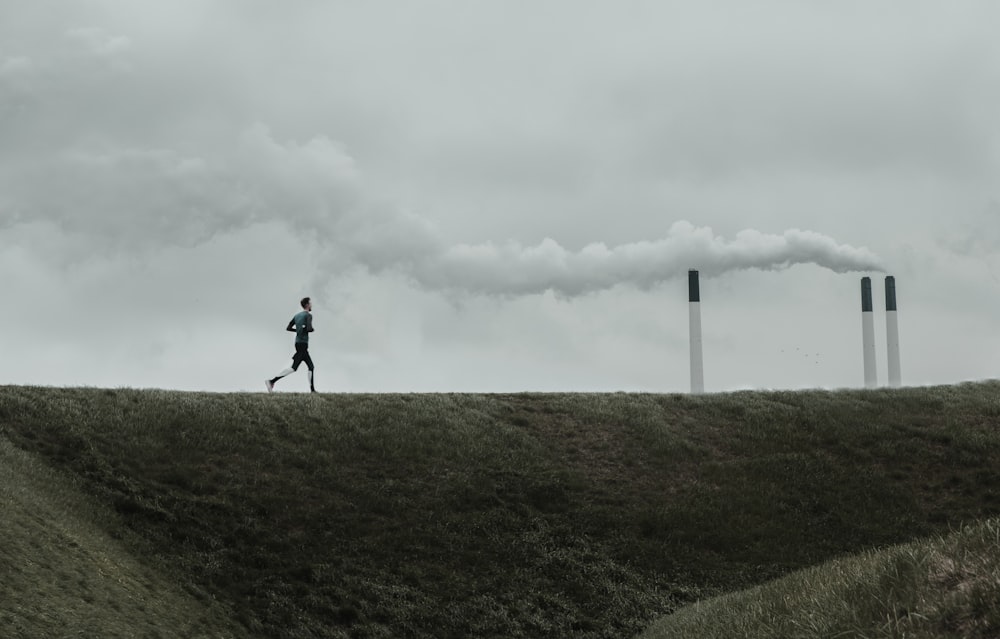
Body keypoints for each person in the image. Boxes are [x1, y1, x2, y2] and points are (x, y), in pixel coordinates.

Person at [266, 297, 316, 393]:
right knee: (294, 368)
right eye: (310, 303)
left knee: (311, 366)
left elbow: (288, 328)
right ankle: (271, 381)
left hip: (298, 343)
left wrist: (298, 330)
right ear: (307, 305)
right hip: (303, 344)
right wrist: (310, 329)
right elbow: (309, 329)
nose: (311, 305)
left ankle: (312, 390)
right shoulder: (308, 315)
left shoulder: (297, 316)